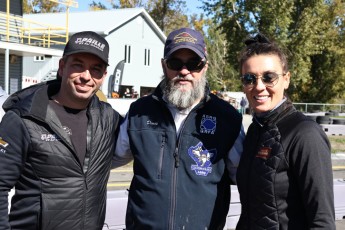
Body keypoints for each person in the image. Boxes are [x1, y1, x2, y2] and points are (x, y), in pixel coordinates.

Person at [113, 27, 245, 229]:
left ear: (205, 67)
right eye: (175, 63)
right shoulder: (139, 112)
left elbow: (248, 180)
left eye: (194, 64)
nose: (184, 71)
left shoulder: (227, 118)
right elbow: (107, 159)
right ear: (164, 65)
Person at [0, 31, 122, 230]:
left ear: (103, 77)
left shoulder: (109, 119)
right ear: (62, 67)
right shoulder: (24, 119)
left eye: (96, 69)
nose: (86, 76)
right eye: (78, 65)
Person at [236, 33, 335, 229]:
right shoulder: (255, 130)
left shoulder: (305, 134)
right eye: (249, 78)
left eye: (269, 77)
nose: (259, 87)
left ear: (286, 79)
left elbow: (322, 220)